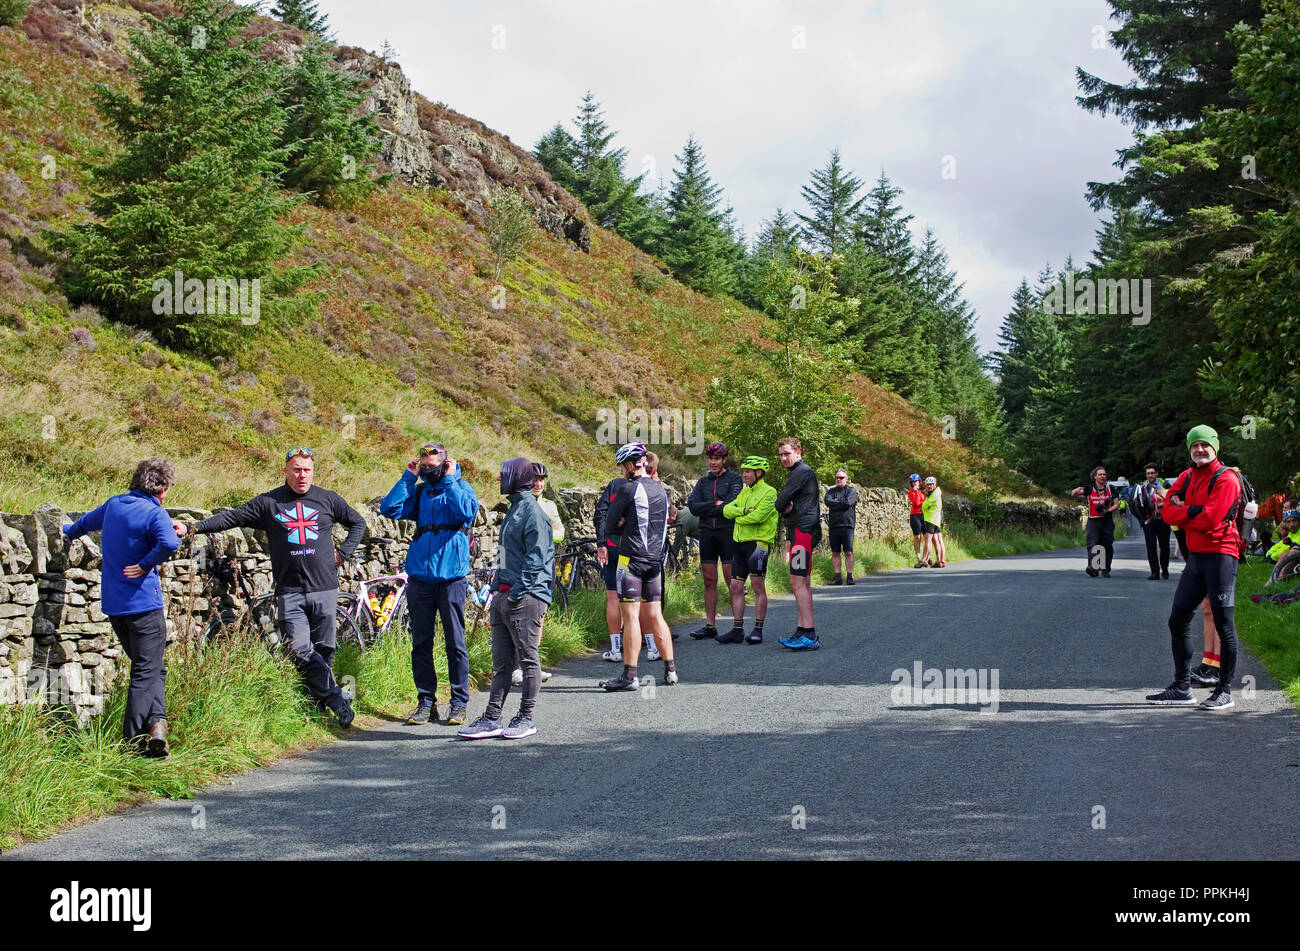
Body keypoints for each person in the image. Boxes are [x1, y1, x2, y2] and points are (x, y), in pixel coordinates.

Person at [190, 448, 364, 727]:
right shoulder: (269, 502)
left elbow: (358, 522)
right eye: (296, 469)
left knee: (325, 647)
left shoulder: (328, 499)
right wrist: (194, 528)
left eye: (307, 470)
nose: (302, 475)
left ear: (313, 471)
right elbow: (232, 518)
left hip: (324, 587)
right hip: (290, 590)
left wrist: (343, 553)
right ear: (285, 471)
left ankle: (314, 703)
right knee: (298, 648)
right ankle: (337, 700)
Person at [62, 459, 181, 757]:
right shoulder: (155, 513)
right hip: (144, 606)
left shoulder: (114, 505)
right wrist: (143, 566)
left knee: (154, 668)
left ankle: (157, 728)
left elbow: (84, 524)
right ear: (163, 490)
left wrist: (65, 530)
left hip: (115, 608)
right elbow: (169, 543)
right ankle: (130, 745)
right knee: (145, 671)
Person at [380, 442, 479, 727]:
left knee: (455, 643)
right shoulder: (420, 491)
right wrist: (408, 477)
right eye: (424, 466)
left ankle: (459, 703)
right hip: (420, 580)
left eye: (433, 466)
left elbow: (465, 514)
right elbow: (390, 508)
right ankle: (426, 702)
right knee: (420, 643)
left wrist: (449, 480)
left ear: (446, 464)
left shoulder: (460, 487)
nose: (428, 470)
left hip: (451, 580)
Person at [1146, 425, 1242, 711]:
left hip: (1222, 555)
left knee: (1224, 625)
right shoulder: (1187, 476)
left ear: (1215, 447)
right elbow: (1166, 513)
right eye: (1194, 446)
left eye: (1204, 445)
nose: (1199, 450)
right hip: (1197, 557)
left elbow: (1212, 520)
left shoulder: (1227, 479)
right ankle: (1182, 687)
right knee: (1178, 619)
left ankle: (1225, 691)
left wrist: (1184, 509)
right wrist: (1193, 510)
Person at [458, 457, 555, 739]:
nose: (500, 478)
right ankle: (491, 718)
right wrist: (496, 588)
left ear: (517, 477)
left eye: (504, 474)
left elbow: (536, 562)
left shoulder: (533, 514)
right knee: (501, 664)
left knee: (527, 659)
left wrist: (514, 595)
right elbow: (506, 556)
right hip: (504, 596)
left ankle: (526, 717)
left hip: (525, 598)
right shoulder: (515, 509)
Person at [597, 443, 678, 690]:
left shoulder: (627, 489)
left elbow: (610, 525)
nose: (622, 471)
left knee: (630, 617)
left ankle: (630, 676)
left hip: (630, 560)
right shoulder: (660, 490)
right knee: (655, 615)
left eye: (623, 467)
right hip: (654, 560)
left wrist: (624, 522)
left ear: (631, 466)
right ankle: (671, 670)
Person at [717, 456, 778, 644]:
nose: (744, 475)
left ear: (759, 473)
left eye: (748, 472)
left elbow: (758, 517)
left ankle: (757, 630)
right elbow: (726, 510)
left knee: (757, 586)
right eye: (743, 471)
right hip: (739, 544)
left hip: (758, 545)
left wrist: (738, 516)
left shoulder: (769, 492)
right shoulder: (744, 493)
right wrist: (743, 512)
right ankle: (737, 630)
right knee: (735, 587)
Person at [686, 441, 743, 640]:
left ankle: (737, 627)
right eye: (710, 458)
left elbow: (730, 504)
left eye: (717, 458)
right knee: (709, 580)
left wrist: (712, 506)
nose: (713, 462)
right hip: (707, 533)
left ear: (724, 459)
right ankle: (710, 626)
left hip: (727, 532)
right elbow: (693, 507)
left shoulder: (735, 479)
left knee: (731, 580)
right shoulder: (703, 482)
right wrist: (715, 504)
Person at [511, 462, 560, 684]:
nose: (539, 483)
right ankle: (517, 667)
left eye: (542, 480)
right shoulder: (518, 504)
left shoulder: (549, 505)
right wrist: (547, 529)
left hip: (545, 566)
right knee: (518, 615)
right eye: (534, 479)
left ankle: (530, 665)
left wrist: (547, 531)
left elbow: (559, 533)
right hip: (523, 566)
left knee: (538, 617)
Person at [775, 437, 821, 650]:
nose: (784, 458)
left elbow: (780, 502)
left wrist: (786, 507)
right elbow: (785, 503)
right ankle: (803, 630)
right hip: (802, 532)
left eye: (787, 453)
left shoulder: (801, 473)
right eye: (781, 454)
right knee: (804, 582)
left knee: (797, 582)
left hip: (803, 534)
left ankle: (808, 634)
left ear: (798, 453)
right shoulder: (799, 472)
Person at [594, 457, 628, 661]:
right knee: (638, 599)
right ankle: (651, 647)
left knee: (614, 597)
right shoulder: (648, 486)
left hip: (612, 547)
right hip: (633, 551)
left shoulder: (615, 484)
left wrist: (601, 543)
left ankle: (616, 649)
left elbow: (600, 513)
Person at [1070, 466, 1117, 577]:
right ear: (1095, 476)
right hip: (1093, 521)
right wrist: (1077, 489)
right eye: (1100, 474)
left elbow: (1116, 504)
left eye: (1104, 474)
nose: (1102, 476)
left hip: (1107, 521)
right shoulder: (1089, 488)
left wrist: (1107, 510)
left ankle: (1105, 570)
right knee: (1093, 544)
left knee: (1106, 545)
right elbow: (1073, 494)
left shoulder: (1111, 489)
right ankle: (1093, 568)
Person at [1131, 462, 1172, 580]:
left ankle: (1165, 568)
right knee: (1151, 546)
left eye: (1152, 473)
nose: (1150, 475)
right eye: (1148, 473)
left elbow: (1172, 499)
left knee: (1164, 545)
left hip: (1163, 519)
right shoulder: (1142, 486)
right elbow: (1135, 502)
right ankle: (1154, 571)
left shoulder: (1165, 484)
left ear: (1157, 473)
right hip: (1148, 520)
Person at [824, 468, 858, 585]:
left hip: (847, 525)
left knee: (848, 551)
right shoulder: (830, 492)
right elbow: (827, 501)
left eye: (841, 477)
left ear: (846, 479)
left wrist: (836, 503)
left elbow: (848, 503)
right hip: (834, 526)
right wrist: (841, 503)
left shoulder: (852, 491)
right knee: (835, 552)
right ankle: (837, 577)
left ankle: (849, 576)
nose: (839, 479)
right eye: (837, 477)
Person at [920, 476, 946, 568]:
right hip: (936, 519)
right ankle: (940, 560)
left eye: (931, 484)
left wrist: (924, 507)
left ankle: (924, 560)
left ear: (935, 484)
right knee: (937, 540)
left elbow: (925, 505)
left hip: (931, 519)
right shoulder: (936, 492)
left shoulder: (934, 494)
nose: (930, 486)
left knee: (928, 540)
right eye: (928, 484)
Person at [907, 474, 927, 567]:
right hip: (915, 515)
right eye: (913, 482)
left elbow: (926, 502)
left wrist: (919, 493)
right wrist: (916, 493)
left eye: (917, 481)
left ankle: (926, 557)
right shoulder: (911, 492)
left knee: (927, 536)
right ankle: (918, 556)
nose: (915, 483)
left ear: (920, 481)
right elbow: (917, 502)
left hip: (924, 515)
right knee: (917, 537)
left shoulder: (923, 491)